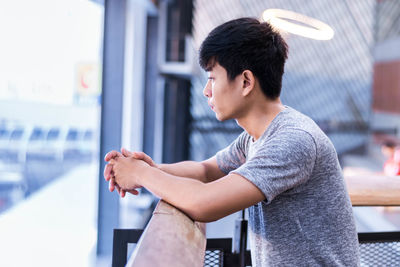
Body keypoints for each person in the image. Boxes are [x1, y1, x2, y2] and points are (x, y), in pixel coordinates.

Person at [104, 17, 360, 266]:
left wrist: (141, 174)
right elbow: (206, 171)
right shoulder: (254, 137)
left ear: (246, 82)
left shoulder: (293, 141)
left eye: (212, 78)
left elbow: (203, 203)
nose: (206, 90)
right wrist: (146, 169)